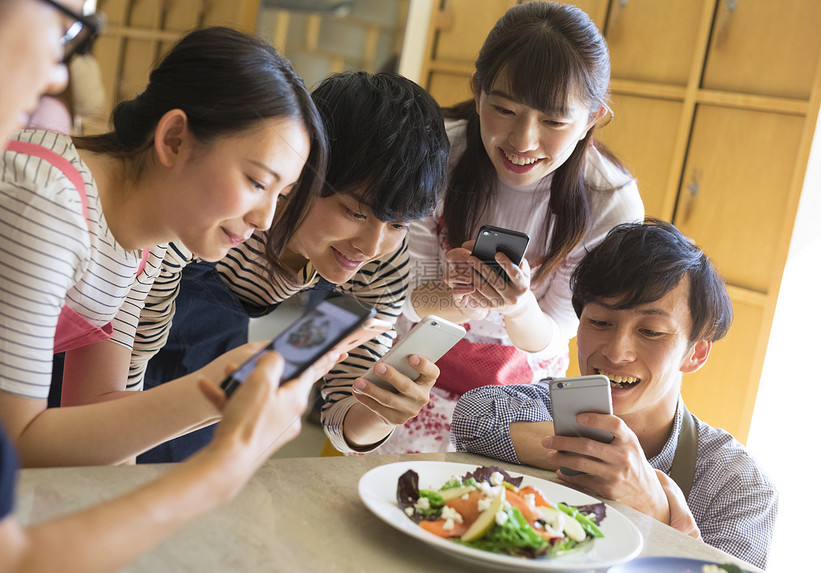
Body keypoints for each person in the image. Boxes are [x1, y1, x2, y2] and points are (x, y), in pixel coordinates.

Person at [0, 1, 340, 571]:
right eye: (257, 181)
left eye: (280, 195)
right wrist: (213, 397)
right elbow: (22, 441)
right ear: (175, 138)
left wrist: (227, 396)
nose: (265, 218)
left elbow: (101, 419)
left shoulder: (151, 239)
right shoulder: (50, 204)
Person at [127, 70, 451, 458]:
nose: (371, 246)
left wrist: (381, 412)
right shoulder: (228, 208)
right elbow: (129, 352)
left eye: (398, 224)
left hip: (210, 358)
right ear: (306, 169)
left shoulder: (383, 260)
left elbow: (343, 411)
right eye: (355, 213)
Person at [386, 1, 644, 453]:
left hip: (519, 395)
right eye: (503, 109)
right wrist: (460, 300)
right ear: (478, 90)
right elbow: (407, 295)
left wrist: (518, 304)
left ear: (593, 118)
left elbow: (557, 330)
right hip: (417, 369)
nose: (523, 141)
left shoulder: (610, 204)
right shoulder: (434, 156)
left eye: (554, 121)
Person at [450, 219, 778, 569]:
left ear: (695, 353)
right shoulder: (546, 406)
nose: (617, 352)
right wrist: (599, 456)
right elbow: (475, 414)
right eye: (601, 322)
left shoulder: (738, 485)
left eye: (651, 331)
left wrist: (655, 507)